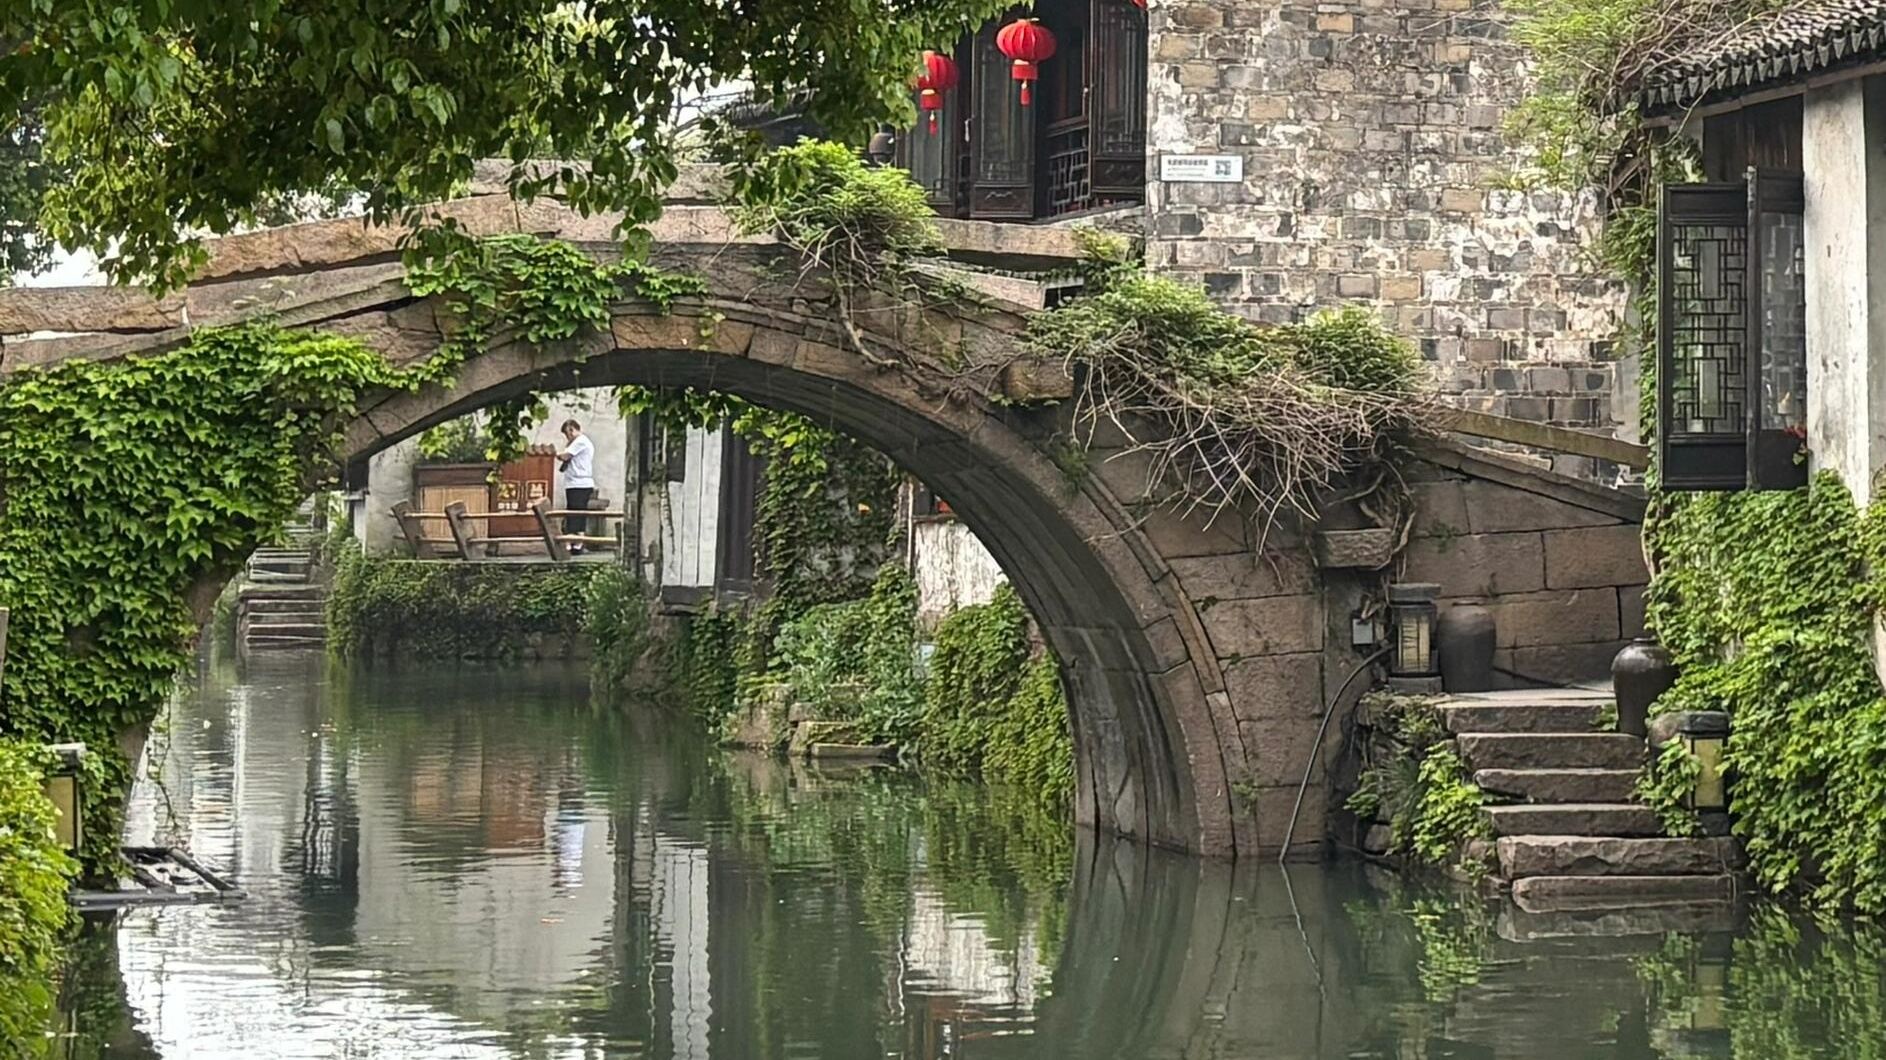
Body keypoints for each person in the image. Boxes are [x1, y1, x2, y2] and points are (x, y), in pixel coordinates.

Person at [556, 419, 596, 554]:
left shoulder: (580, 441)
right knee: (574, 513)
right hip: (575, 483)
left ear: (572, 430)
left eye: (567, 434)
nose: (567, 437)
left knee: (576, 514)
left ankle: (575, 544)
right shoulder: (577, 442)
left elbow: (566, 456)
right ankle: (575, 543)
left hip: (579, 484)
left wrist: (557, 455)